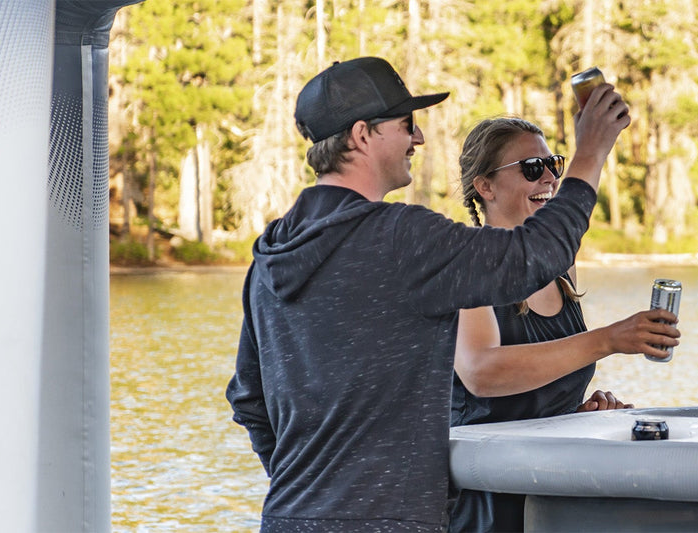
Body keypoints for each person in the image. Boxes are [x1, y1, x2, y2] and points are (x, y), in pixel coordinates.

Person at [225, 56, 630, 532]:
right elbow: (535, 254)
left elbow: (249, 400)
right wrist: (590, 153)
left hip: (290, 517)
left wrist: (314, 494)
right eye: (406, 124)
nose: (418, 138)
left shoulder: (270, 252)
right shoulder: (401, 238)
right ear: (361, 135)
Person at [446, 117, 680, 532]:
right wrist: (608, 340)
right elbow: (482, 373)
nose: (551, 177)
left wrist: (580, 412)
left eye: (554, 163)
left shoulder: (562, 269)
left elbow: (536, 395)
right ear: (485, 187)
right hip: (485, 505)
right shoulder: (465, 262)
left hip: (554, 495)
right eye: (532, 168)